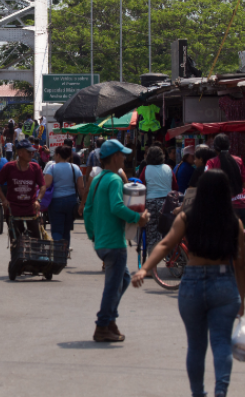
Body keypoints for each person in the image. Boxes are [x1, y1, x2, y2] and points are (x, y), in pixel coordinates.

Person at [131, 169, 245, 397]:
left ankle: (198, 393)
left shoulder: (187, 216)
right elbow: (241, 265)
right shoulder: (235, 222)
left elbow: (165, 244)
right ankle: (220, 392)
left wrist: (145, 269)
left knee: (196, 345)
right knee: (222, 342)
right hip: (224, 282)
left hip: (193, 282)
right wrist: (241, 298)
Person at [84, 140, 149, 342]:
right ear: (114, 157)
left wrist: (93, 234)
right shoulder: (114, 179)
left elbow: (87, 210)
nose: (125, 158)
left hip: (102, 241)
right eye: (122, 154)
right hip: (113, 242)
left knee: (124, 279)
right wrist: (138, 219)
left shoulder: (98, 179)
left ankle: (110, 319)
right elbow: (117, 207)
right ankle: (103, 325)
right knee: (113, 286)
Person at [206, 133, 245, 245]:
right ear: (229, 146)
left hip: (225, 207)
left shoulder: (211, 162)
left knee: (225, 242)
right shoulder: (238, 160)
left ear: (215, 148)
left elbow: (208, 187)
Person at [0, 140, 46, 239]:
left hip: (31, 210)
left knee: (36, 242)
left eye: (32, 152)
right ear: (20, 153)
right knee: (16, 243)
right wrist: (3, 199)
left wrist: (38, 200)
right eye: (29, 152)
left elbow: (43, 185)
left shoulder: (35, 167)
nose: (31, 154)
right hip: (13, 210)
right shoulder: (9, 167)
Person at [138, 146, 178, 251]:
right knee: (168, 230)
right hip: (167, 203)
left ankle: (153, 265)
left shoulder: (146, 169)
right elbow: (175, 187)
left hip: (150, 203)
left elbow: (141, 187)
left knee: (151, 234)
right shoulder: (168, 168)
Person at [44, 146, 85, 245]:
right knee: (66, 231)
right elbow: (81, 187)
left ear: (58, 155)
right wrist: (84, 202)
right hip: (71, 201)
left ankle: (59, 255)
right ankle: (65, 253)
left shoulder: (52, 167)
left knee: (57, 230)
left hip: (56, 202)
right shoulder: (75, 167)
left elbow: (46, 184)